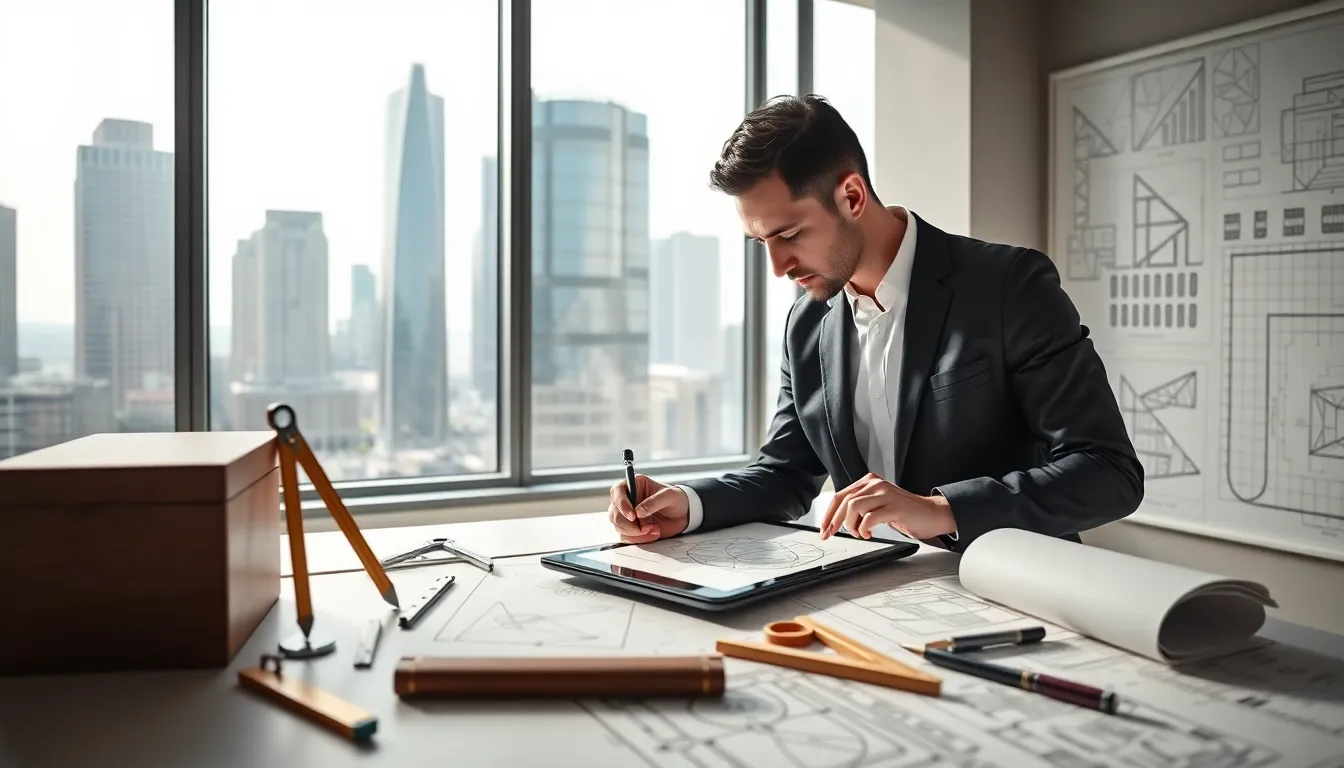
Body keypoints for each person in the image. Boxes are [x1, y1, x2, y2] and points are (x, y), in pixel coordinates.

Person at [608, 94, 1143, 552]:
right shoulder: (807, 323)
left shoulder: (1008, 284)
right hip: (870, 598)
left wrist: (940, 509)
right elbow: (786, 474)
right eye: (761, 243)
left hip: (1012, 586)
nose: (777, 268)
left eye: (790, 235)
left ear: (852, 195)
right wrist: (688, 503)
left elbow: (1108, 472)